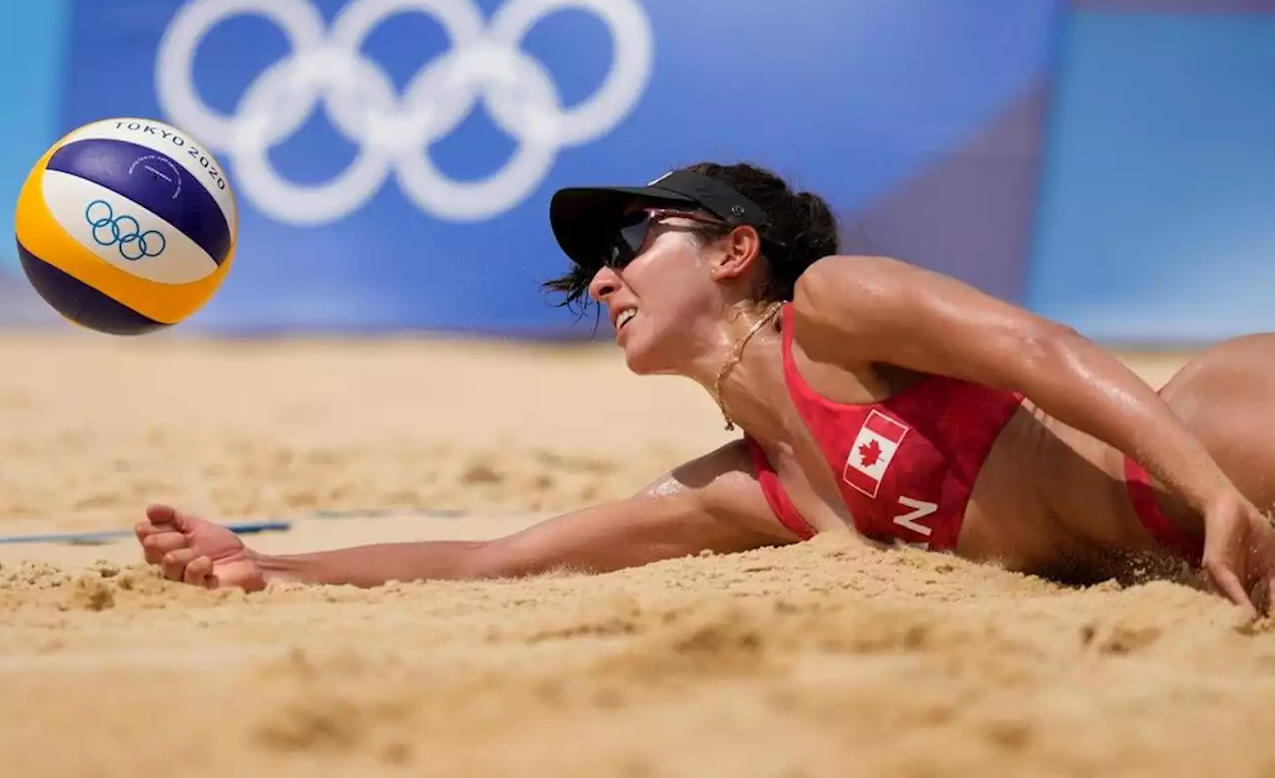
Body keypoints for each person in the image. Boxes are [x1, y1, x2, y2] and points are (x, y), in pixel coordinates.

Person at [134, 162, 1275, 618]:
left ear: (734, 253)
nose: (602, 274)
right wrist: (266, 564)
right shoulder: (757, 490)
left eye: (632, 238)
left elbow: (1044, 349)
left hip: (1208, 437)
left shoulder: (834, 304)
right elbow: (502, 560)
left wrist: (1205, 488)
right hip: (1191, 531)